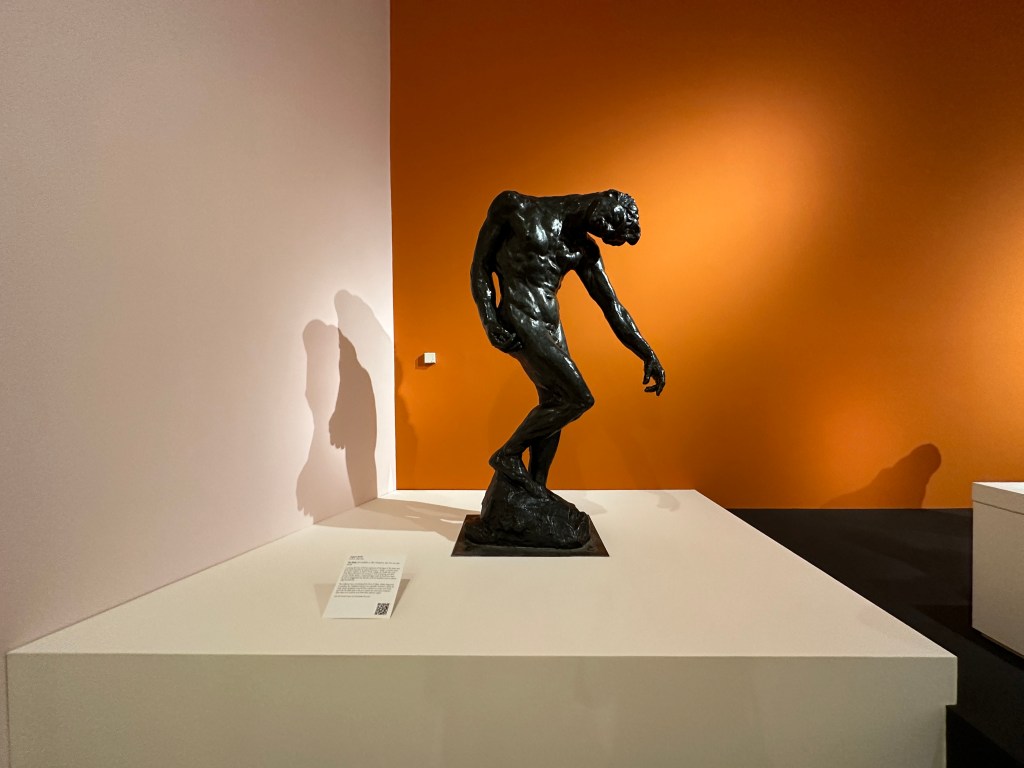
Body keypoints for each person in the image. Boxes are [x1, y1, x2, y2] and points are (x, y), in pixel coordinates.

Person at [470, 189, 666, 496]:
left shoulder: (583, 250)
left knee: (554, 402)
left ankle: (537, 487)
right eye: (613, 219)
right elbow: (480, 266)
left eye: (609, 232)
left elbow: (612, 306)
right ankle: (508, 454)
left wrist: (647, 352)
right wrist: (489, 319)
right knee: (578, 398)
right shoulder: (515, 206)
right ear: (611, 196)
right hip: (520, 317)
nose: (606, 228)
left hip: (551, 325)